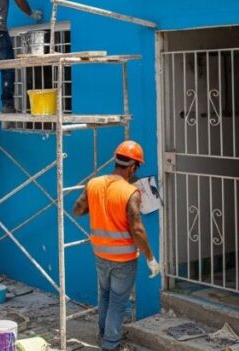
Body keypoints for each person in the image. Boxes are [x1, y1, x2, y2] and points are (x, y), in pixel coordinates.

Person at [73, 141, 160, 351]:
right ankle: (111, 344)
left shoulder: (94, 183)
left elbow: (77, 209)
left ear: (117, 161)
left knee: (105, 296)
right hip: (123, 259)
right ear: (133, 166)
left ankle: (103, 335)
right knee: (118, 302)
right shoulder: (130, 193)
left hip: (100, 254)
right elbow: (137, 229)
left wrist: (100, 206)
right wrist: (151, 258)